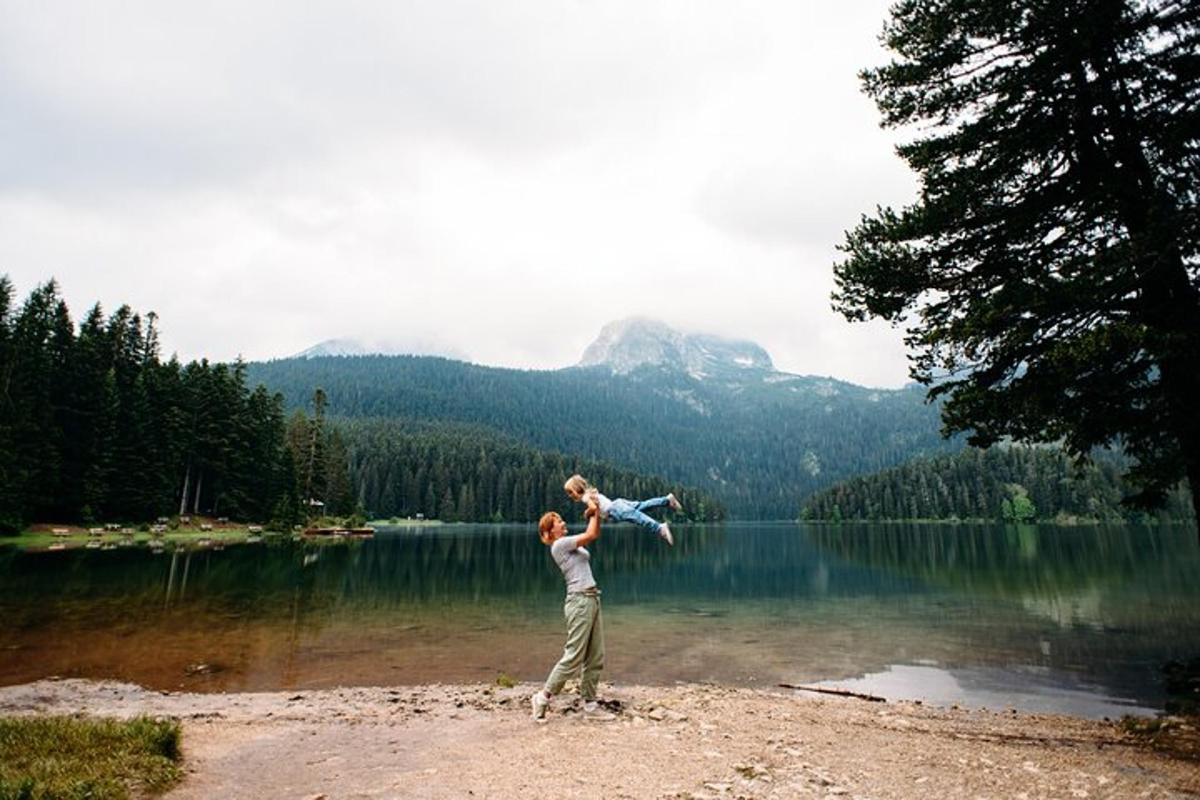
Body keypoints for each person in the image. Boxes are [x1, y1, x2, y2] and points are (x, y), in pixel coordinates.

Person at [530, 502, 615, 722]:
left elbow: (591, 532)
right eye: (559, 521)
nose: (563, 522)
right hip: (579, 602)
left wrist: (593, 512)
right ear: (550, 531)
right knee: (574, 655)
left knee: (596, 655)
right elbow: (592, 533)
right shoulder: (559, 545)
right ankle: (542, 697)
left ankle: (590, 704)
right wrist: (594, 509)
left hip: (591, 599)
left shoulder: (569, 544)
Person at [563, 473, 681, 546]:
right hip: (617, 503)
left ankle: (659, 528)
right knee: (642, 506)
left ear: (576, 490)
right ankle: (667, 500)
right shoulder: (590, 493)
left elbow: (593, 507)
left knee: (637, 517)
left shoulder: (585, 497)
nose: (569, 495)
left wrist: (587, 512)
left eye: (569, 492)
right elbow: (597, 507)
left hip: (615, 509)